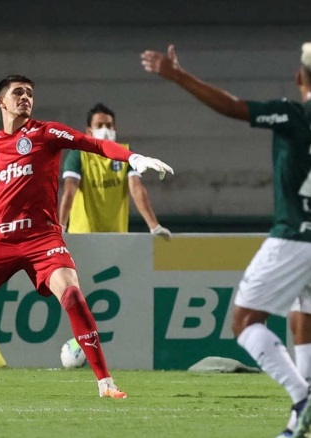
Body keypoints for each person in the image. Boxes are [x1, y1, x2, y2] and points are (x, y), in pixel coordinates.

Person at [0, 74, 173, 399]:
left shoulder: (46, 133)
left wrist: (133, 157)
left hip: (43, 238)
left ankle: (105, 383)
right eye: (18, 92)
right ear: (1, 102)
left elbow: (95, 145)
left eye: (29, 93)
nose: (25, 97)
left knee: (72, 296)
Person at [141, 43, 311, 438]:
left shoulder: (293, 113)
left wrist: (178, 75)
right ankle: (301, 417)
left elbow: (234, 107)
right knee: (304, 314)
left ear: (299, 76)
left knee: (245, 321)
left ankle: (301, 397)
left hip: (293, 237)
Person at [59, 102, 172, 238]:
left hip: (116, 236)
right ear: (89, 131)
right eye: (99, 126)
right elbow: (69, 190)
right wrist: (61, 227)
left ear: (115, 129)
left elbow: (136, 189)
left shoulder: (126, 153)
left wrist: (154, 226)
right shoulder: (78, 155)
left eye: (109, 125)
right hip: (82, 234)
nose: (105, 130)